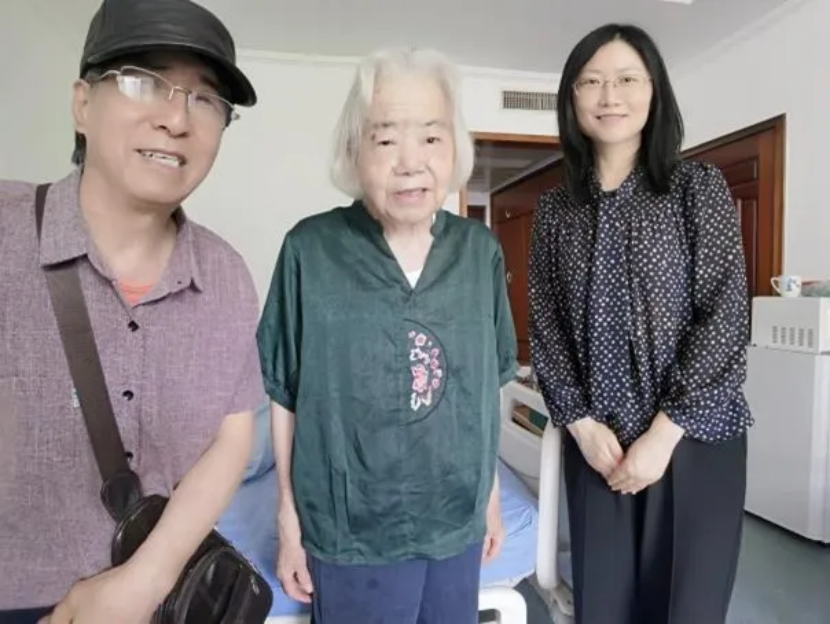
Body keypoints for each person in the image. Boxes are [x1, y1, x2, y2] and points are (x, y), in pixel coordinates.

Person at [0, 1, 264, 623]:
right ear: (82, 104)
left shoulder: (226, 274)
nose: (176, 118)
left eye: (206, 99)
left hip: (159, 601)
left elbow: (232, 438)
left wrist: (145, 581)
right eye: (144, 80)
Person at [256, 47, 518, 624]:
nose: (410, 162)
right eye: (385, 139)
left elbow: (483, 393)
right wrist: (288, 518)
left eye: (431, 137)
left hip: (455, 523)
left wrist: (491, 497)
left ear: (455, 149)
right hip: (348, 530)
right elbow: (284, 394)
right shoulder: (309, 251)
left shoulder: (479, 254)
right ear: (355, 150)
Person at [528, 23, 752, 624]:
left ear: (655, 91)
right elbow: (546, 326)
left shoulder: (696, 188)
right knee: (603, 607)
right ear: (572, 98)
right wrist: (579, 424)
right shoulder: (555, 210)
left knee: (686, 608)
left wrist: (663, 434)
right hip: (597, 448)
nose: (610, 97)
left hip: (693, 440)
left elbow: (725, 315)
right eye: (591, 82)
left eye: (627, 79)